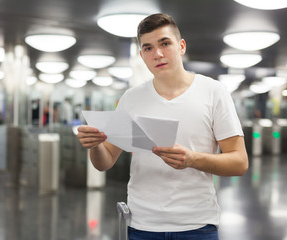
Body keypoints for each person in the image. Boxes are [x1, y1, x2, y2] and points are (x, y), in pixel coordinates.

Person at [77, 13, 248, 239]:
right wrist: (95, 146)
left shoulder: (213, 92)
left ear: (181, 46)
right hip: (142, 226)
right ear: (141, 55)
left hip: (197, 226)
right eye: (147, 48)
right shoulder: (131, 98)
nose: (157, 54)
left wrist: (192, 159)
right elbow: (105, 161)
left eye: (165, 43)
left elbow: (239, 162)